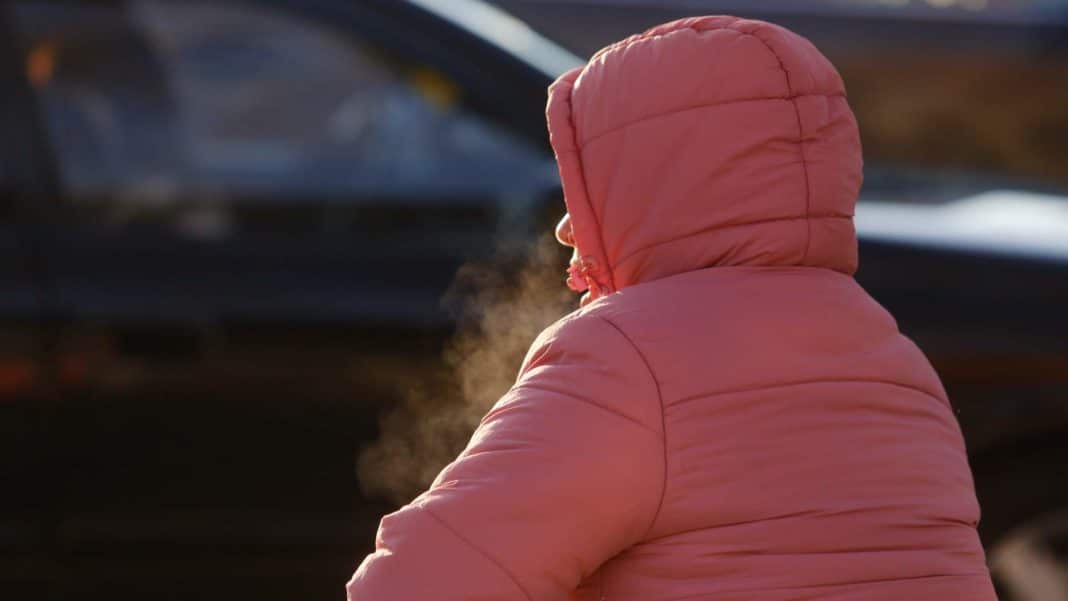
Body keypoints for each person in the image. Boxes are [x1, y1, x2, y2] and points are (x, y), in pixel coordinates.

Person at [346, 15, 997, 601]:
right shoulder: (894, 359)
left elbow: (419, 582)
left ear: (648, 184)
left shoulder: (629, 359)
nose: (568, 229)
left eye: (591, 187)